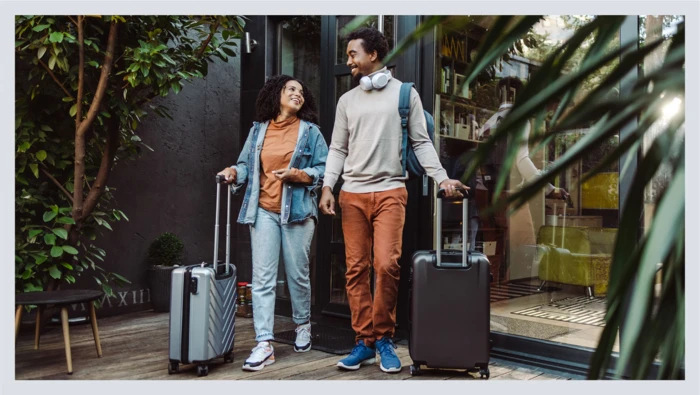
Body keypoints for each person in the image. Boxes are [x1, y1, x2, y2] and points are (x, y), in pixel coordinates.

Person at [318, 27, 468, 374]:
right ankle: (363, 342)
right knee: (355, 269)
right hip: (352, 193)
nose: (348, 60)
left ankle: (384, 337)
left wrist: (441, 177)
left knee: (386, 265)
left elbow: (421, 142)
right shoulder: (347, 101)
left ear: (373, 54)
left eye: (353, 53)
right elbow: (338, 147)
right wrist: (328, 186)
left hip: (390, 191)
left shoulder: (405, 94)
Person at [218, 75, 328, 371]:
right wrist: (233, 171)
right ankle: (264, 343)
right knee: (263, 278)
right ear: (275, 95)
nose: (297, 94)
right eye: (291, 89)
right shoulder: (258, 131)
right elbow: (245, 166)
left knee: (297, 274)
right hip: (263, 210)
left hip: (297, 211)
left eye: (302, 92)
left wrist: (301, 175)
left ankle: (302, 324)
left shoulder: (310, 132)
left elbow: (324, 167)